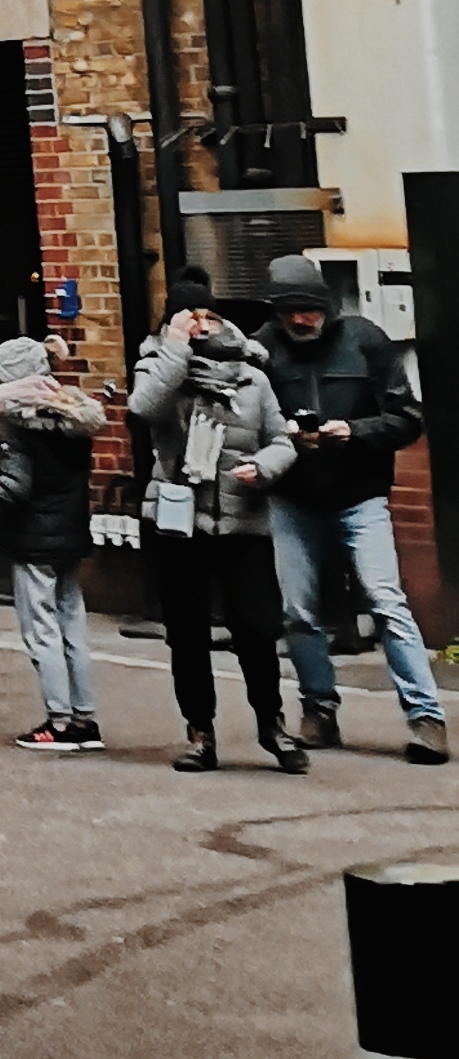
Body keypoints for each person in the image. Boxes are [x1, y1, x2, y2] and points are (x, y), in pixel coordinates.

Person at [252, 252, 448, 766]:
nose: (301, 319)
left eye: (309, 309)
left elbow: (407, 418)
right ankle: (318, 710)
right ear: (276, 311)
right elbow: (251, 421)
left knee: (386, 600)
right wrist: (285, 441)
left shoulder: (365, 341)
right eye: (290, 311)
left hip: (360, 496)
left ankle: (427, 717)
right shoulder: (263, 351)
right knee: (299, 611)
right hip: (293, 497)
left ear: (325, 304)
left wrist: (354, 432)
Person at [123, 303, 313, 778]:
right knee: (186, 633)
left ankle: (272, 724)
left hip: (242, 521)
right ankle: (200, 734)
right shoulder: (158, 365)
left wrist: (264, 468)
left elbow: (281, 441)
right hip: (179, 523)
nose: (201, 324)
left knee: (255, 627)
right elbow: (144, 409)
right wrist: (176, 350)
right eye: (190, 316)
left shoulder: (252, 377)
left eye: (208, 315)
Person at [0, 330, 108, 751]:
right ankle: (84, 717)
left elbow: (15, 489)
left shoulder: (14, 420)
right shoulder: (73, 417)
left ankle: (58, 721)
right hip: (71, 532)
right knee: (72, 624)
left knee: (40, 629)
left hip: (33, 537)